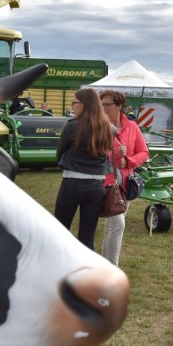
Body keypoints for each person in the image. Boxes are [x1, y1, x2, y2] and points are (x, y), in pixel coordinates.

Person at [54, 88, 115, 250]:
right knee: (87, 236)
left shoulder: (72, 126)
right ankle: (87, 273)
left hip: (72, 183)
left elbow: (59, 154)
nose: (72, 106)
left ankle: (60, 270)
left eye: (75, 102)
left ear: (84, 104)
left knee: (60, 231)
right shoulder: (108, 128)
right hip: (96, 187)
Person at [99, 90, 149, 266]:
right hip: (106, 183)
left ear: (119, 106)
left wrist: (128, 161)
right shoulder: (99, 126)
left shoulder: (132, 127)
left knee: (112, 227)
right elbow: (95, 153)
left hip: (126, 184)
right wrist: (114, 154)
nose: (103, 108)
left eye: (107, 105)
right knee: (118, 225)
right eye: (101, 104)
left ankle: (103, 264)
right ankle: (112, 268)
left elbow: (144, 152)